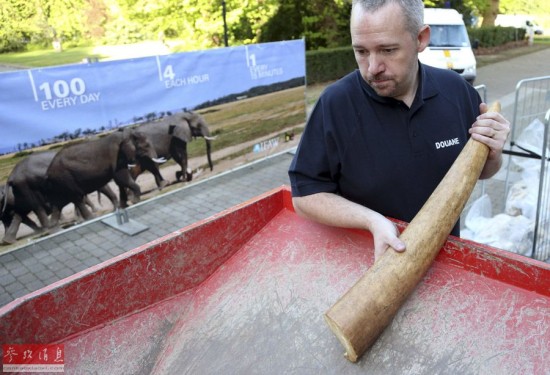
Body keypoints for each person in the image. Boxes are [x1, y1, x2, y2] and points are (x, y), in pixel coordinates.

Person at [288, 0, 510, 261]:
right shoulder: (335, 104)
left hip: (446, 265)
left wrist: (494, 153)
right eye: (361, 51)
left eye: (388, 50)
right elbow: (305, 194)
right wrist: (371, 220)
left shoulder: (456, 92)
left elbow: (482, 171)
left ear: (420, 38)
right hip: (366, 271)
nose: (373, 68)